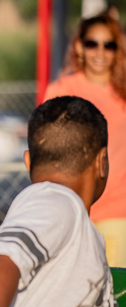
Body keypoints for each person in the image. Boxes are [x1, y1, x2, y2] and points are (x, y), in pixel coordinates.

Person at [0, 96, 126, 307]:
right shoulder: (55, 201)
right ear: (101, 162)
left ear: (28, 161)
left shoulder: (79, 231)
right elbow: (3, 256)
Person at [44, 14, 126, 267]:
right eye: (92, 43)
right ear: (79, 46)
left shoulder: (123, 92)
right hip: (73, 209)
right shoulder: (61, 91)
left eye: (108, 44)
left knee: (115, 292)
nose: (100, 52)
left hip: (119, 210)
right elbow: (48, 148)